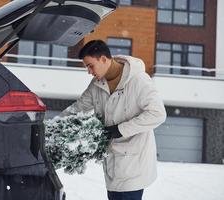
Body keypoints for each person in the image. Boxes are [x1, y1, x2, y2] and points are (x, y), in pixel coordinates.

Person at [61, 40, 167, 200]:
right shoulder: (96, 84)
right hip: (112, 164)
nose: (89, 72)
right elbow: (78, 108)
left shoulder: (139, 80)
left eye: (90, 66)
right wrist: (54, 125)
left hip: (135, 165)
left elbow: (157, 114)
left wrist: (120, 129)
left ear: (103, 59)